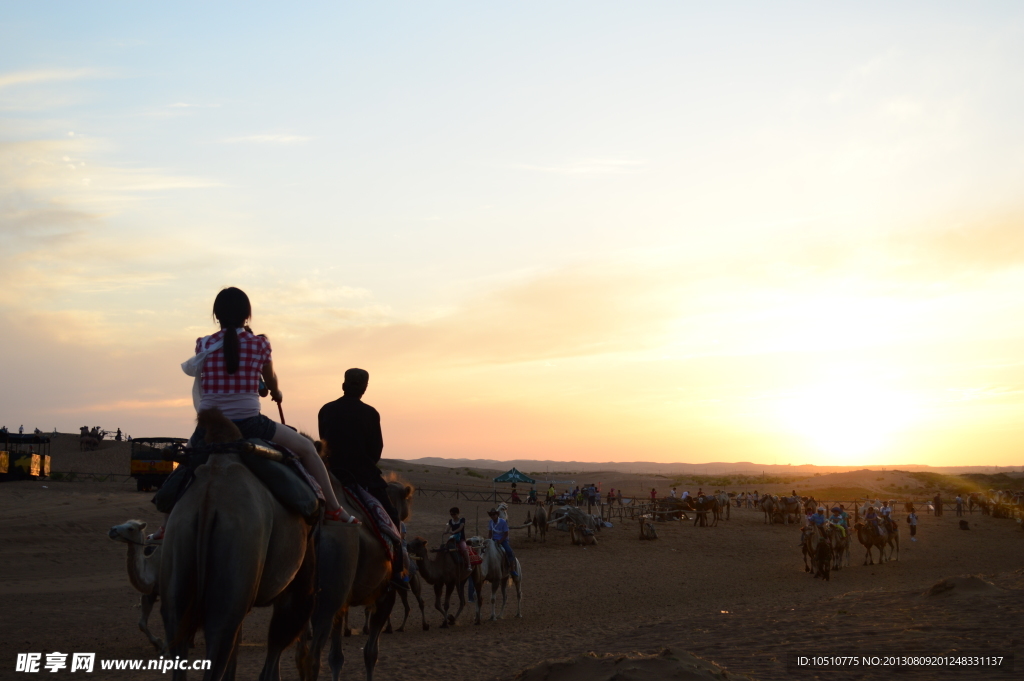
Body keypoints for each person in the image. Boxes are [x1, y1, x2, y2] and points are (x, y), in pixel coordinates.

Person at [152, 287, 354, 542]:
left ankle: (165, 526)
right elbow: (269, 380)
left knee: (184, 467)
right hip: (250, 425)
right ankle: (335, 509)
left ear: (216, 315)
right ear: (247, 315)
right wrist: (276, 392)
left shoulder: (203, 343)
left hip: (209, 427)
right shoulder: (260, 343)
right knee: (307, 449)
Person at [487, 508, 518, 577]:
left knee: (509, 551)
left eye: (494, 514)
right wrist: (488, 540)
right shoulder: (490, 522)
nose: (492, 516)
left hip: (502, 540)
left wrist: (500, 541)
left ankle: (512, 569)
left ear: (497, 515)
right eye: (491, 515)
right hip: (494, 540)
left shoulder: (503, 522)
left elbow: (506, 533)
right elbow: (490, 533)